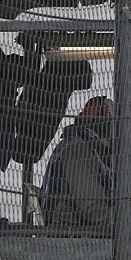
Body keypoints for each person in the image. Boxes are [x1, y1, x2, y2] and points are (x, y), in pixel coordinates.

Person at [41, 96, 113, 227]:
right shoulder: (75, 149)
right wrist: (128, 227)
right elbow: (94, 209)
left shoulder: (91, 150)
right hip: (72, 239)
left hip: (85, 237)